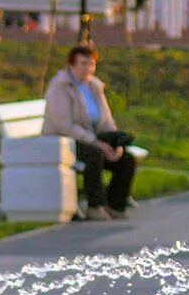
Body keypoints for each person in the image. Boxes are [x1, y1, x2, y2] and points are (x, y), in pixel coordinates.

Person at [42, 44, 138, 221]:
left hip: (89, 139)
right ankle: (95, 206)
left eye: (92, 64)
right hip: (63, 142)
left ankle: (115, 205)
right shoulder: (60, 87)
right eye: (83, 63)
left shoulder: (94, 86)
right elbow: (64, 125)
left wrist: (115, 143)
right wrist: (97, 143)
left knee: (126, 160)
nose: (88, 68)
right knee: (95, 156)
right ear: (72, 65)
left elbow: (106, 120)